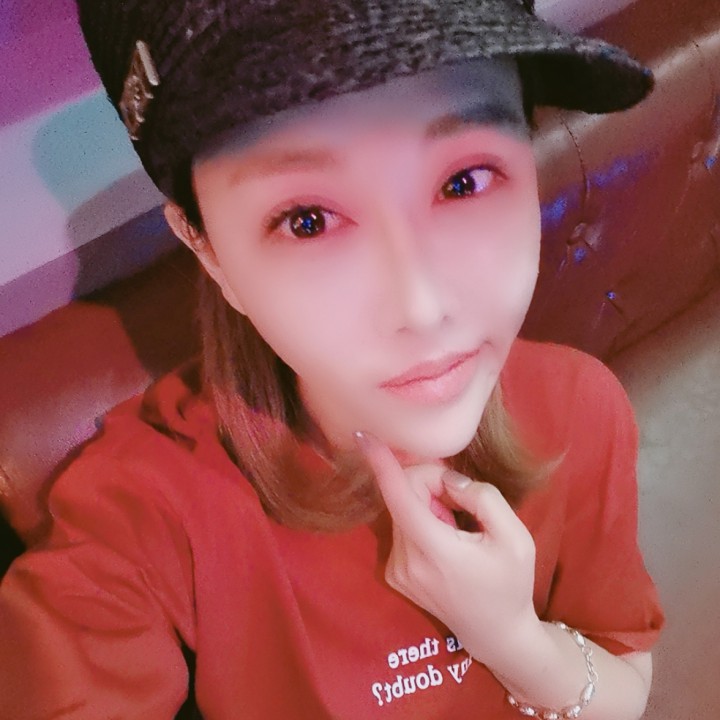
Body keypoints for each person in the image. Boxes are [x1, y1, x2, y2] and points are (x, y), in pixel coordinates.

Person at [0, 1, 664, 718]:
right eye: (308, 221)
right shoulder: (147, 508)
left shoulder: (579, 410)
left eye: (465, 180)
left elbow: (624, 686)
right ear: (208, 252)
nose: (422, 308)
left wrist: (512, 639)